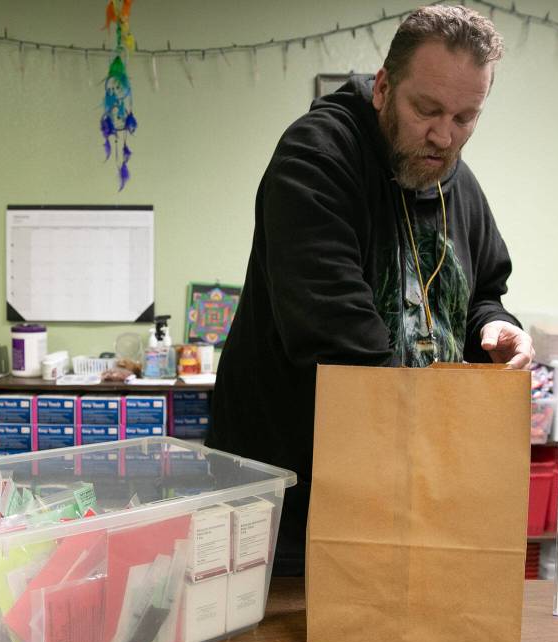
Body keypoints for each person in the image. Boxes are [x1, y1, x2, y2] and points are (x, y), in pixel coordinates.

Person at [207, 5, 534, 576]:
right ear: (383, 87)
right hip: (291, 502)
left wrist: (493, 328)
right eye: (426, 109)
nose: (443, 135)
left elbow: (483, 289)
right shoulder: (317, 158)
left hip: (403, 489)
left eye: (465, 118)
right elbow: (342, 345)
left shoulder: (457, 181)